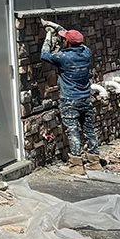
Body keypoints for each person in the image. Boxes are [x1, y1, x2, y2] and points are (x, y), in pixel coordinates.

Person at [39, 20, 99, 172]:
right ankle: (94, 160)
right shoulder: (86, 53)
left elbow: (44, 54)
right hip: (86, 98)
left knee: (73, 130)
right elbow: (72, 39)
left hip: (70, 100)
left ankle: (77, 164)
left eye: (65, 39)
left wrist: (48, 35)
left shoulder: (63, 58)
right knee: (89, 130)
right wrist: (57, 27)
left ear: (67, 42)